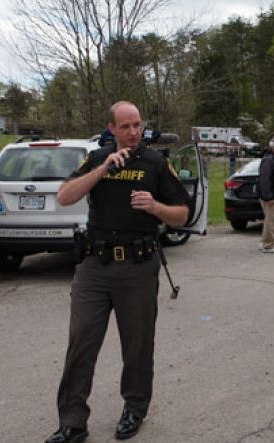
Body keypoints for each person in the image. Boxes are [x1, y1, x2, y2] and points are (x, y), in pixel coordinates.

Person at [46, 101, 190, 443]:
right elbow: (64, 196)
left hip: (137, 267)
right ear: (111, 128)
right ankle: (73, 422)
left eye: (137, 124)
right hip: (94, 266)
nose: (133, 132)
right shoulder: (97, 159)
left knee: (137, 345)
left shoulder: (155, 163)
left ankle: (134, 408)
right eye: (125, 126)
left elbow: (183, 214)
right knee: (81, 341)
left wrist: (155, 207)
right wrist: (102, 169)